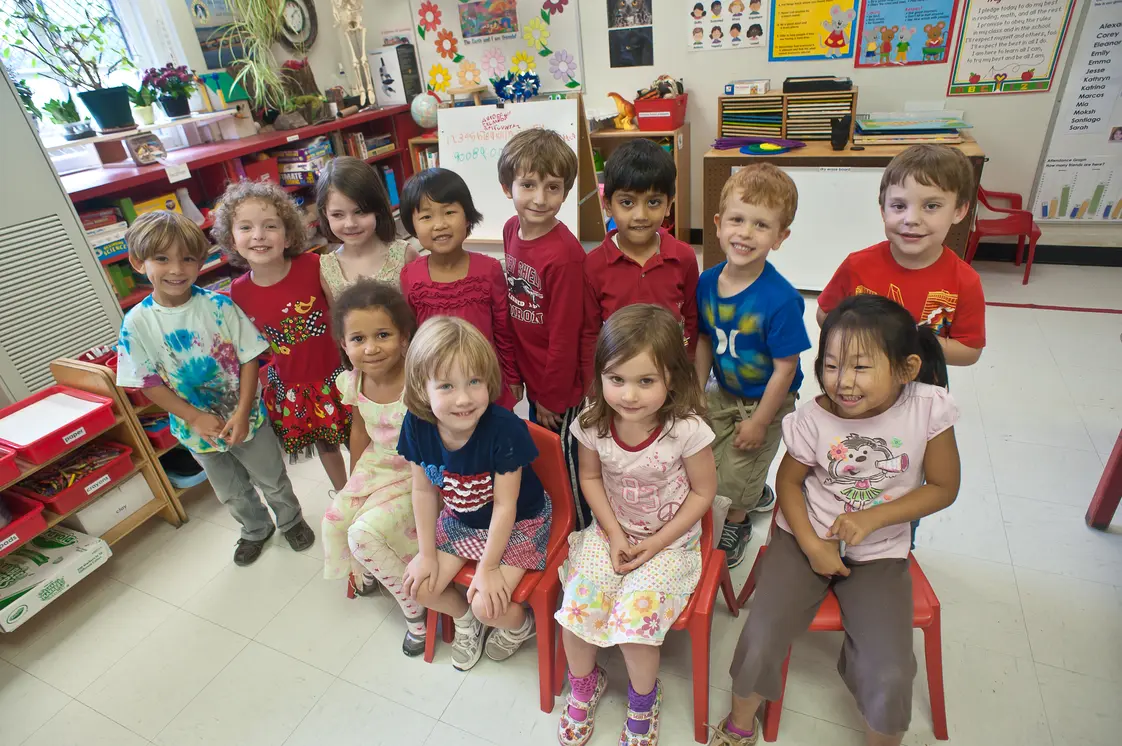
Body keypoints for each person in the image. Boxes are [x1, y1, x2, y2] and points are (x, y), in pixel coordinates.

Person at [709, 295, 960, 746]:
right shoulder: (814, 417)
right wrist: (811, 546)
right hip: (804, 539)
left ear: (906, 369)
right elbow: (788, 484)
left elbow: (944, 487)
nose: (843, 382)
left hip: (880, 552)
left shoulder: (928, 408)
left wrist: (874, 518)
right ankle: (739, 725)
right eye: (831, 365)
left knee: (890, 668)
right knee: (761, 635)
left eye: (861, 367)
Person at [557, 304, 716, 746]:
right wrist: (613, 534)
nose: (629, 395)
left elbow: (703, 493)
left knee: (635, 627)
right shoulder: (592, 421)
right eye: (617, 379)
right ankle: (584, 685)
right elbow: (590, 478)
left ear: (672, 379)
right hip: (610, 531)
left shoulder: (687, 429)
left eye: (646, 381)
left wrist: (657, 542)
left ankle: (644, 701)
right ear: (600, 375)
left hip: (670, 543)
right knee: (576, 612)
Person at [115, 211, 313, 566]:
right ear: (138, 262)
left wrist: (242, 411)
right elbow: (148, 383)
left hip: (247, 418)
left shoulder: (219, 306)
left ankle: (291, 520)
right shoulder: (136, 323)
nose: (177, 269)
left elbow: (249, 358)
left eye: (187, 259)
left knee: (272, 478)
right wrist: (193, 417)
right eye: (162, 259)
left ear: (200, 261)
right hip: (195, 431)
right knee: (230, 490)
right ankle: (255, 529)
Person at [399, 317, 552, 672]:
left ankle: (521, 627)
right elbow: (422, 490)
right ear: (422, 388)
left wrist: (489, 567)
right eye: (446, 386)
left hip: (520, 522)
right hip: (461, 518)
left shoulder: (505, 429)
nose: (464, 399)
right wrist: (426, 554)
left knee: (490, 607)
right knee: (419, 587)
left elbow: (506, 506)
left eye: (474, 381)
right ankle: (466, 620)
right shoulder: (416, 423)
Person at [695, 164, 811, 569]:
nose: (745, 233)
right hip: (722, 389)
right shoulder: (706, 282)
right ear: (718, 224)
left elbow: (785, 368)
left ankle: (739, 519)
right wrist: (696, 390)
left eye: (761, 225)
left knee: (736, 474)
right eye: (737, 220)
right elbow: (705, 339)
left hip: (766, 401)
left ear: (780, 237)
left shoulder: (781, 299)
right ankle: (752, 488)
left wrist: (761, 421)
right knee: (707, 457)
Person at [219, 180, 351, 492]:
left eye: (270, 226)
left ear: (289, 235)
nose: (259, 235)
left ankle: (372, 490)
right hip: (296, 386)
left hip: (340, 374)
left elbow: (344, 318)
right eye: (246, 227)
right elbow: (251, 346)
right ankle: (346, 496)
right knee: (326, 445)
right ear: (231, 239)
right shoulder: (238, 291)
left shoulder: (314, 265)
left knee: (360, 436)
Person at [321, 280, 425, 655]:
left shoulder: (419, 381)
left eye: (383, 335)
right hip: (376, 465)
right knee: (334, 519)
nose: (371, 348)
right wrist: (354, 480)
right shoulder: (353, 381)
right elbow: (359, 429)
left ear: (404, 337)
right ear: (343, 344)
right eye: (358, 339)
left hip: (417, 471)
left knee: (364, 533)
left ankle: (415, 613)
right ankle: (366, 571)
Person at [817, 144, 986, 367]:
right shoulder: (856, 265)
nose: (911, 219)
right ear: (882, 210)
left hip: (923, 383)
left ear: (959, 211)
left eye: (931, 206)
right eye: (898, 206)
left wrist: (905, 342)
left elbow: (969, 352)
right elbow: (824, 315)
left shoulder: (966, 281)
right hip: (859, 379)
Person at [498, 128, 590, 528]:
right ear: (507, 187)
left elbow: (566, 336)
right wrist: (516, 375)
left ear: (565, 192)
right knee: (543, 454)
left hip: (560, 388)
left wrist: (552, 398)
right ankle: (554, 513)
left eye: (553, 187)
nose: (540, 198)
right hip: (534, 375)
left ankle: (579, 527)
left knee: (566, 460)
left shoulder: (565, 256)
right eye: (528, 185)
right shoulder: (510, 230)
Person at [580, 138, 699, 394]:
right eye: (627, 202)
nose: (641, 215)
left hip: (670, 381)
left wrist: (686, 375)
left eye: (653, 202)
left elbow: (691, 321)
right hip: (618, 386)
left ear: (669, 204)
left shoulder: (684, 258)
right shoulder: (593, 265)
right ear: (607, 204)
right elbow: (590, 334)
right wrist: (595, 387)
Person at [398, 168, 523, 410]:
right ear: (412, 226)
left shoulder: (488, 270)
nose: (440, 225)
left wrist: (512, 377)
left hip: (484, 379)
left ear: (467, 218)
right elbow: (411, 337)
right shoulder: (410, 276)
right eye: (426, 217)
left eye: (449, 212)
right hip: (437, 384)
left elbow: (503, 330)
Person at [315, 156, 419, 300]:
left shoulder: (405, 255)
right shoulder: (327, 269)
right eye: (338, 215)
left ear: (377, 207)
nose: (350, 224)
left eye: (360, 212)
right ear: (325, 214)